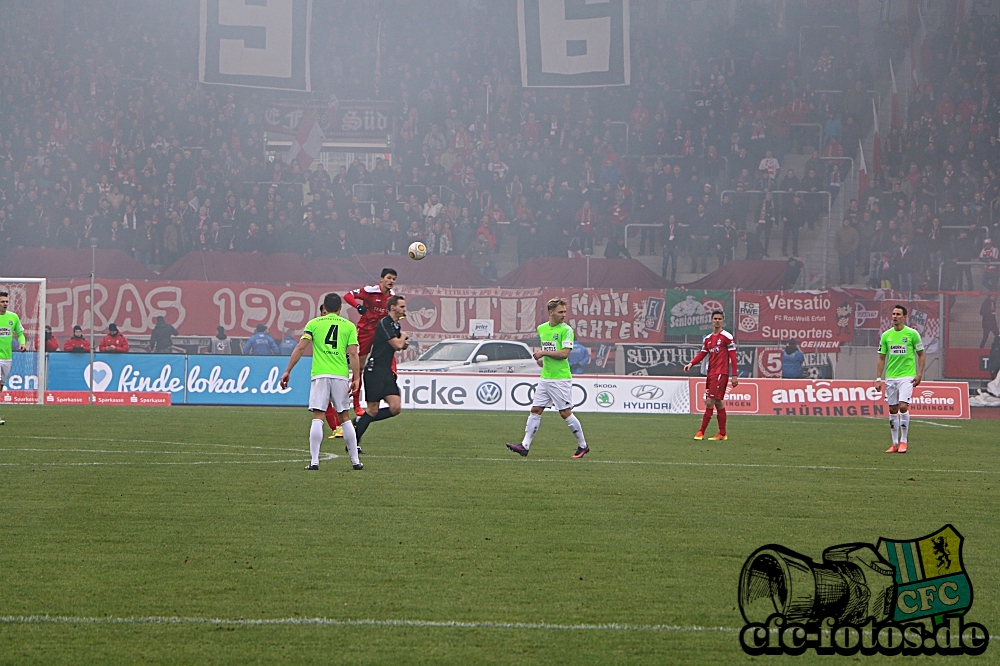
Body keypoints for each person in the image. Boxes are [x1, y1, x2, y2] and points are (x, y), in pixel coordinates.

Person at [279, 293, 363, 471]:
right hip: (340, 374)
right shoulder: (348, 326)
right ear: (340, 308)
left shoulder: (314, 324)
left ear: (324, 307)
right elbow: (354, 353)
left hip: (320, 374)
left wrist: (287, 370)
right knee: (345, 418)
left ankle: (315, 461)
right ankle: (355, 461)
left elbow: (300, 347)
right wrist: (356, 378)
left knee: (318, 416)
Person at [507, 298, 590, 459]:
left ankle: (583, 445)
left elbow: (564, 354)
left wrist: (543, 353)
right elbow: (550, 348)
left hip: (560, 378)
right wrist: (543, 359)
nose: (563, 315)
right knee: (536, 410)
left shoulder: (566, 330)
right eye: (560, 312)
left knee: (565, 412)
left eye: (565, 312)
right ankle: (524, 446)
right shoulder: (542, 329)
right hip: (546, 377)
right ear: (550, 312)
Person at [354, 295, 408, 445]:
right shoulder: (384, 323)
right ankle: (353, 443)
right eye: (402, 306)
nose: (404, 309)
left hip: (386, 371)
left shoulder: (396, 325)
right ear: (392, 308)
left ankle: (360, 420)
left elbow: (396, 344)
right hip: (375, 370)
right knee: (373, 410)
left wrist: (402, 342)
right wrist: (403, 338)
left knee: (395, 408)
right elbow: (397, 344)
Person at [343, 268, 397, 417]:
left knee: (389, 362)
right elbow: (347, 296)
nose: (391, 281)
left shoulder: (393, 298)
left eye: (394, 279)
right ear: (381, 279)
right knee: (359, 366)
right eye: (389, 278)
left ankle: (381, 398)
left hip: (382, 334)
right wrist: (358, 306)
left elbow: (396, 314)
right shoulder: (370, 290)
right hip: (366, 330)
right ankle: (356, 404)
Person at [876, 305, 926, 454]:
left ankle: (904, 441)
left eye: (898, 314)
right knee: (892, 409)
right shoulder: (886, 335)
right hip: (891, 377)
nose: (895, 316)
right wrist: (879, 378)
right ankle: (894, 443)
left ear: (905, 317)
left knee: (903, 406)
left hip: (907, 376)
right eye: (893, 314)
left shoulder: (912, 334)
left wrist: (919, 374)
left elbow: (921, 354)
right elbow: (881, 357)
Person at [683, 310, 738, 441]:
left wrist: (734, 375)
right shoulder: (707, 339)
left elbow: (733, 357)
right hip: (711, 373)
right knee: (718, 402)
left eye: (720, 318)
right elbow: (702, 354)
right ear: (712, 320)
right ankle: (722, 433)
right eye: (715, 318)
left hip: (721, 373)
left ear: (723, 320)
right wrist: (691, 363)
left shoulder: (727, 337)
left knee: (709, 402)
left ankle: (701, 431)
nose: (717, 321)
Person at [0, 291, 27, 425]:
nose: (5, 304)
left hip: (7, 357)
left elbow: (20, 333)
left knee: (1, 386)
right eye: (2, 301)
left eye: (6, 301)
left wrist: (22, 343)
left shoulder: (13, 317)